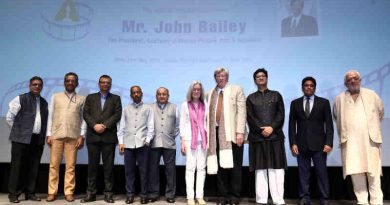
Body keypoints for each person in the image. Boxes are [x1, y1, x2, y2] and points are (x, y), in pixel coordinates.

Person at [333, 70, 384, 205]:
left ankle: (376, 202)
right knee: (356, 174)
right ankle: (362, 202)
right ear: (345, 83)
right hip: (351, 144)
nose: (353, 81)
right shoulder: (339, 99)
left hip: (370, 142)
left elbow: (380, 111)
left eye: (355, 78)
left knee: (373, 174)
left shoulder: (371, 95)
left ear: (360, 80)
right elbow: (336, 116)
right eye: (349, 79)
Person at [288, 76, 333, 205]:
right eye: (306, 85)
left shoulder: (324, 103)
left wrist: (329, 142)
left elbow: (329, 125)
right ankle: (304, 197)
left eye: (311, 85)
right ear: (302, 87)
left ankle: (324, 198)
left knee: (322, 173)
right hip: (301, 145)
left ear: (315, 87)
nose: (309, 87)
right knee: (303, 173)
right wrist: (293, 143)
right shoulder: (295, 103)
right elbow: (292, 125)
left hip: (319, 145)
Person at [246, 68, 287, 205]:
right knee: (260, 170)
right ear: (255, 80)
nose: (261, 78)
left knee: (277, 169)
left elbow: (281, 115)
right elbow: (250, 117)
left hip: (275, 137)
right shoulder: (250, 98)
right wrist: (260, 129)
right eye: (258, 76)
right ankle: (261, 199)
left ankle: (278, 199)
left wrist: (271, 127)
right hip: (258, 138)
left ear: (267, 78)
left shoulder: (277, 95)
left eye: (263, 76)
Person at [206, 68, 246, 205]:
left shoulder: (236, 89)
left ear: (227, 77)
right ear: (215, 78)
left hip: (233, 135)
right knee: (221, 167)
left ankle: (234, 196)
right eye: (218, 75)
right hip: (215, 135)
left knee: (235, 167)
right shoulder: (210, 93)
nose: (220, 78)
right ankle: (224, 196)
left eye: (223, 75)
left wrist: (240, 132)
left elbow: (242, 112)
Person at [6, 76, 48, 203]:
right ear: (30, 86)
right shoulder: (20, 98)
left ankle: (30, 193)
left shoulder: (44, 102)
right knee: (17, 167)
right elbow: (9, 117)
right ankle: (13, 194)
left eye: (39, 85)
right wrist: (19, 132)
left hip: (37, 139)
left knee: (33, 167)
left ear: (41, 87)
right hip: (20, 139)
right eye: (34, 84)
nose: (37, 87)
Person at [80, 75, 122, 203]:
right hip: (93, 137)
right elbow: (85, 113)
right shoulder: (90, 97)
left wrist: (104, 125)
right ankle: (90, 194)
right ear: (99, 84)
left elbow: (117, 114)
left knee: (108, 167)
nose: (105, 84)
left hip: (108, 137)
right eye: (103, 82)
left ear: (110, 84)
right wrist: (94, 125)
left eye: (107, 82)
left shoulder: (116, 98)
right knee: (92, 167)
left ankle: (108, 193)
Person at [46, 72, 86, 202]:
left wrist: (82, 135)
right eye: (68, 80)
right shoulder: (55, 96)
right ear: (64, 82)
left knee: (70, 166)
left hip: (73, 136)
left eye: (73, 81)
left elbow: (84, 119)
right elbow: (50, 115)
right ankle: (52, 192)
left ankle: (69, 192)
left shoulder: (81, 99)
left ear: (76, 83)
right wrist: (49, 134)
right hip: (56, 135)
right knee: (54, 165)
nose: (70, 83)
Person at [118, 85, 154, 204]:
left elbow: (151, 126)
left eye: (138, 92)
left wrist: (147, 140)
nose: (136, 94)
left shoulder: (148, 108)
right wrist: (121, 142)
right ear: (131, 95)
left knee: (144, 172)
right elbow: (121, 127)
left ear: (141, 93)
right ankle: (130, 195)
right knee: (129, 171)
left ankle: (144, 195)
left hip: (142, 144)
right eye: (134, 92)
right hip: (128, 144)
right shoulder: (126, 109)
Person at [148, 87, 179, 203]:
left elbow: (177, 125)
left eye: (164, 94)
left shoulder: (174, 107)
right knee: (153, 170)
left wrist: (171, 135)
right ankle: (153, 193)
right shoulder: (150, 107)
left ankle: (170, 194)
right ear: (156, 96)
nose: (162, 96)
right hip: (154, 143)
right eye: (159, 94)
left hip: (169, 143)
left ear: (168, 96)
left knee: (170, 170)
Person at [180, 81, 208, 205]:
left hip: (203, 141)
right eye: (194, 89)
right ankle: (190, 197)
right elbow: (182, 124)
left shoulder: (205, 104)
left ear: (201, 92)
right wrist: (182, 141)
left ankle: (199, 196)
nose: (196, 91)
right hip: (189, 140)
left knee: (201, 169)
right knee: (190, 169)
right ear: (191, 91)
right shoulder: (185, 105)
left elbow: (207, 123)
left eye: (198, 89)